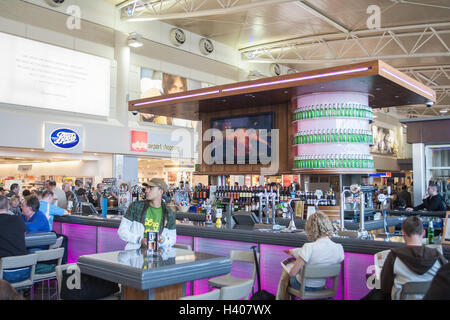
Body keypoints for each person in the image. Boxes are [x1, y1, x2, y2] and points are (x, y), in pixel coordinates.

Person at [275, 211, 344, 300]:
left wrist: (291, 267)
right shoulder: (339, 248)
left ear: (310, 228)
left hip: (303, 286)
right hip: (321, 286)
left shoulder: (308, 247)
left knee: (286, 275)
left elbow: (293, 273)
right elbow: (331, 276)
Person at [380, 216, 447, 300]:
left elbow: (385, 287)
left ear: (403, 233)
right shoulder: (437, 256)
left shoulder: (394, 256)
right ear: (423, 233)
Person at [118, 178, 176, 250]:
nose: (146, 190)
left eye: (150, 188)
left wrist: (162, 240)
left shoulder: (169, 214)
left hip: (157, 255)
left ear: (160, 191)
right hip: (135, 254)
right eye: (146, 188)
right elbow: (122, 231)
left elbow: (173, 239)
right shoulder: (135, 207)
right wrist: (140, 239)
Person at [0, 195, 28, 284]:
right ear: (8, 207)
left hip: (4, 274)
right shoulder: (18, 219)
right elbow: (23, 237)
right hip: (25, 271)